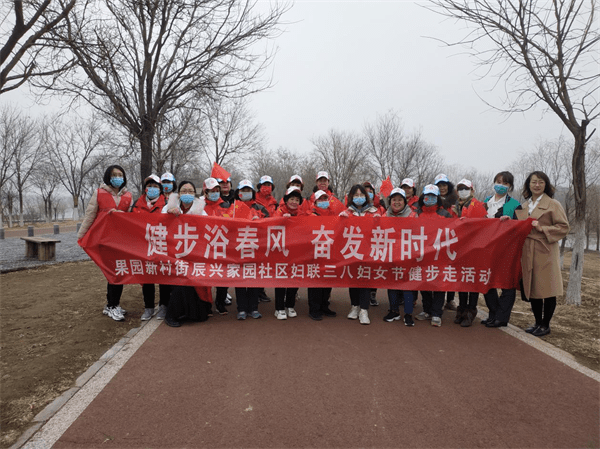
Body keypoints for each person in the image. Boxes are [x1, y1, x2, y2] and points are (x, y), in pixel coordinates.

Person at [77, 165, 133, 321]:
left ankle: (112, 305)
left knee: (119, 272)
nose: (117, 177)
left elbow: (132, 219)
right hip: (104, 240)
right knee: (113, 273)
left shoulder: (128, 195)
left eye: (120, 174)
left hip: (120, 241)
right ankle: (112, 306)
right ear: (108, 176)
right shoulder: (99, 193)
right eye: (114, 174)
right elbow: (90, 215)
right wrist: (81, 236)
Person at [517, 171, 569, 337]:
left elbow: (564, 227)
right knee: (533, 288)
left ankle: (546, 324)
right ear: (528, 185)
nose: (537, 185)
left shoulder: (553, 204)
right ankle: (537, 322)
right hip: (528, 250)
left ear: (546, 185)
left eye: (540, 182)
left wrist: (543, 228)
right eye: (533, 182)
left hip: (545, 250)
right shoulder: (525, 206)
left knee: (547, 288)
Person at [162, 181, 211, 327]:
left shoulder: (201, 210)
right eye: (184, 191)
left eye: (190, 191)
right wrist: (169, 215)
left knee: (201, 312)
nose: (187, 194)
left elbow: (208, 228)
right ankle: (172, 314)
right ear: (178, 193)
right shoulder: (168, 207)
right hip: (174, 253)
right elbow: (158, 225)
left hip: (194, 252)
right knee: (180, 283)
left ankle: (191, 313)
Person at [481, 171, 523, 328]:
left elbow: (521, 226)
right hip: (487, 248)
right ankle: (493, 313)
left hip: (506, 249)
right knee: (487, 281)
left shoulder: (515, 205)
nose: (501, 185)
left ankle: (502, 317)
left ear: (510, 187)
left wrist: (510, 222)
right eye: (498, 181)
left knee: (506, 284)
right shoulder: (485, 202)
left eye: (505, 183)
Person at [410, 184, 452, 327]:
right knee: (424, 282)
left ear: (438, 198)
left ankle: (436, 313)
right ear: (423, 196)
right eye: (427, 196)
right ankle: (427, 310)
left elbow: (453, 231)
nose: (430, 199)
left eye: (433, 196)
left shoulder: (445, 214)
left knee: (439, 284)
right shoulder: (417, 213)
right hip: (422, 254)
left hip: (439, 255)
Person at [340, 184, 381, 325]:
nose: (359, 198)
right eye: (356, 195)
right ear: (351, 197)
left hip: (368, 252)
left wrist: (378, 221)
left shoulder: (373, 212)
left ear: (367, 197)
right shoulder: (347, 212)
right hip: (352, 251)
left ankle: (364, 310)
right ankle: (354, 306)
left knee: (364, 280)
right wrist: (341, 221)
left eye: (361, 195)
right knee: (353, 280)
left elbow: (382, 232)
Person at [131, 174, 170, 321]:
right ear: (145, 189)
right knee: (147, 276)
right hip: (143, 246)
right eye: (149, 186)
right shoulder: (137, 204)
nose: (152, 189)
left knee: (163, 277)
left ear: (160, 189)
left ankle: (163, 306)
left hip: (162, 245)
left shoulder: (167, 203)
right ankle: (148, 307)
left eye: (155, 186)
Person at [451, 179, 487, 327]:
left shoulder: (478, 206)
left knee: (471, 280)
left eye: (466, 189)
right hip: (459, 248)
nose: (463, 192)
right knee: (462, 280)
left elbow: (484, 226)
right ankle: (461, 308)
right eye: (460, 189)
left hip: (474, 249)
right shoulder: (455, 207)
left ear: (472, 190)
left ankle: (470, 311)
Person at [271, 187, 307, 319]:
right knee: (281, 279)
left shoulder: (302, 214)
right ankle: (279, 308)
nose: (294, 202)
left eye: (297, 199)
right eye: (291, 199)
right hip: (281, 252)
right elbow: (272, 227)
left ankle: (290, 305)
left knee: (294, 278)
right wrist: (281, 220)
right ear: (286, 200)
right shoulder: (279, 212)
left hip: (297, 252)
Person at [384, 188, 416, 326]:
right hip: (390, 255)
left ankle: (408, 314)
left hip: (407, 256)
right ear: (390, 201)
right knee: (391, 284)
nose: (396, 202)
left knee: (407, 285)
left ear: (404, 201)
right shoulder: (385, 216)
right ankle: (394, 310)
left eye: (400, 200)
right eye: (394, 200)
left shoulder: (413, 216)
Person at [306, 190, 337, 320]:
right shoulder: (312, 215)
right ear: (315, 201)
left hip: (329, 252)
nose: (324, 202)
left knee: (327, 280)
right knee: (315, 281)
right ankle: (314, 308)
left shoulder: (333, 215)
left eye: (326, 199)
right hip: (315, 253)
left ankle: (324, 305)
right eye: (321, 199)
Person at [434, 173, 459, 311]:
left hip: (451, 237)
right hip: (436, 239)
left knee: (450, 269)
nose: (442, 188)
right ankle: (437, 299)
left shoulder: (456, 200)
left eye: (444, 185)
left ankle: (450, 299)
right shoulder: (432, 199)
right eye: (439, 185)